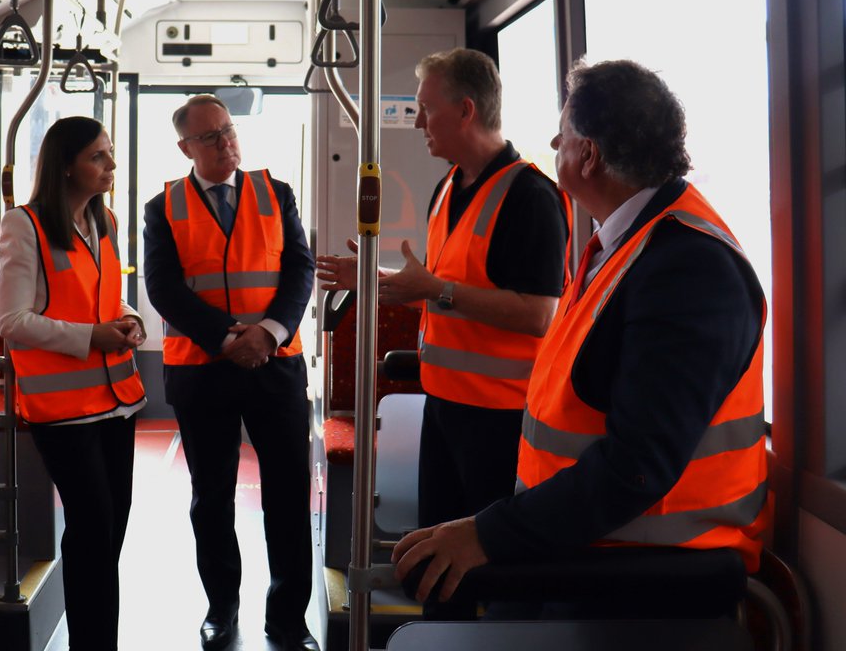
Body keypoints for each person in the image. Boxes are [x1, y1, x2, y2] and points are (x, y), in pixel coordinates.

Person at [392, 59, 769, 616]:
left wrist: (488, 534)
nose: (551, 142)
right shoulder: (622, 245)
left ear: (588, 155)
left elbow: (637, 465)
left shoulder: (689, 267)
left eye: (563, 133)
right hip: (579, 539)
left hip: (645, 577)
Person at [315, 49, 569, 579]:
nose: (417, 121)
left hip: (504, 421)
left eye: (424, 108)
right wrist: (380, 284)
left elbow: (539, 315)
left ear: (466, 110)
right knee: (436, 564)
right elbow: (441, 290)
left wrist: (437, 290)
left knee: (493, 575)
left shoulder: (530, 195)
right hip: (445, 407)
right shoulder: (447, 188)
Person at [143, 95, 317, 651]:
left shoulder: (276, 192)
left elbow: (300, 269)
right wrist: (224, 338)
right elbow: (164, 290)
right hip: (202, 370)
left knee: (289, 494)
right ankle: (222, 606)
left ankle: (289, 618)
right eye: (210, 137)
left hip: (275, 363)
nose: (226, 144)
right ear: (184, 148)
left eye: (229, 131)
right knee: (211, 495)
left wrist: (268, 332)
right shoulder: (162, 207)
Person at [0, 115, 146, 651]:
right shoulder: (25, 225)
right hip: (63, 409)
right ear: (65, 166)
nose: (109, 165)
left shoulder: (101, 223)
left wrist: (130, 320)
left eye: (109, 154)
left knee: (110, 536)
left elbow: (104, 299)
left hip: (117, 401)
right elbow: (11, 321)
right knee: (92, 531)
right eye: (97, 157)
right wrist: (92, 337)